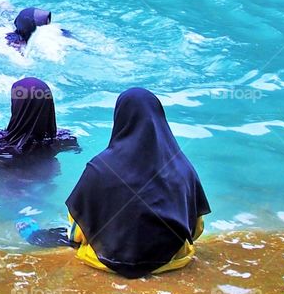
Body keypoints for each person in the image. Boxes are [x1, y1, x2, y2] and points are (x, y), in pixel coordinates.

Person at [66, 88, 210, 278]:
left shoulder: (99, 168)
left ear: (120, 118)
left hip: (104, 261)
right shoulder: (183, 167)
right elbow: (196, 229)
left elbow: (77, 232)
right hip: (173, 260)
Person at [0, 78, 78, 163]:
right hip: (46, 181)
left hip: (4, 184)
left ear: (17, 105)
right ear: (49, 104)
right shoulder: (65, 139)